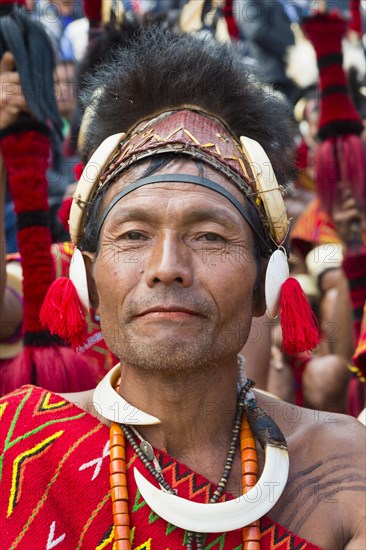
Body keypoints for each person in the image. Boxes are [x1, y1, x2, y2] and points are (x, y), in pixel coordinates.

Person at [1, 27, 365, 550]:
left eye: (210, 235)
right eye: (133, 235)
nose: (167, 267)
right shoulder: (17, 447)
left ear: (269, 282)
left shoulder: (348, 470)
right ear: (87, 279)